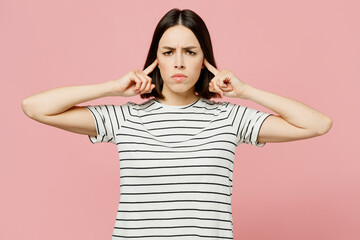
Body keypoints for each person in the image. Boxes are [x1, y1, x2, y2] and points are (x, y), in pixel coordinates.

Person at [22, 8, 332, 240]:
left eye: (190, 52)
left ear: (204, 59)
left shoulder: (230, 118)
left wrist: (246, 91)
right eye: (168, 52)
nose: (179, 62)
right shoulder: (124, 118)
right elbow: (34, 107)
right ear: (155, 59)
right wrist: (112, 88)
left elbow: (318, 124)